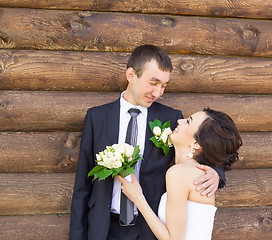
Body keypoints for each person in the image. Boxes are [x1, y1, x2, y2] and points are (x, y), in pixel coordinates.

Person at [69, 45, 226, 240]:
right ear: (131, 75)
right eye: (153, 83)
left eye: (164, 86)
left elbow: (201, 145)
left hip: (149, 230)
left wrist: (216, 174)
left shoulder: (172, 119)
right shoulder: (97, 117)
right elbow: (82, 185)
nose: (158, 92)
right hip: (103, 228)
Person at [118, 108, 242, 240]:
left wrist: (137, 198)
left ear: (196, 143)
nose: (179, 121)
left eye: (188, 122)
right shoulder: (196, 172)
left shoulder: (179, 173)